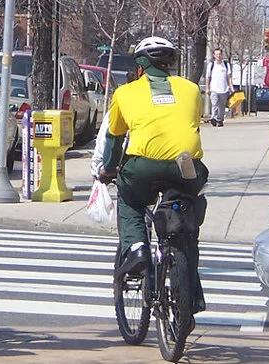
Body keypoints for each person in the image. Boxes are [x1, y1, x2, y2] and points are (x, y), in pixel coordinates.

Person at [98, 36, 209, 329]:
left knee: (131, 199)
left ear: (141, 65)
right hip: (185, 166)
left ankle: (136, 249)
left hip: (142, 166)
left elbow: (114, 137)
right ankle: (190, 297)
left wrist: (109, 169)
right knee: (185, 224)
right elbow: (192, 123)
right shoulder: (191, 89)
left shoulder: (125, 93)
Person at [205, 48, 233, 127]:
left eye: (219, 54)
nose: (218, 56)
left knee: (222, 106)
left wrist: (231, 87)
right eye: (216, 54)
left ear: (222, 55)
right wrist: (207, 88)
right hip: (214, 89)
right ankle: (213, 118)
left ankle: (220, 120)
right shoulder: (211, 65)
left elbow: (229, 77)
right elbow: (208, 77)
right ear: (214, 55)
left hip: (224, 89)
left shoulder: (226, 65)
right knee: (215, 104)